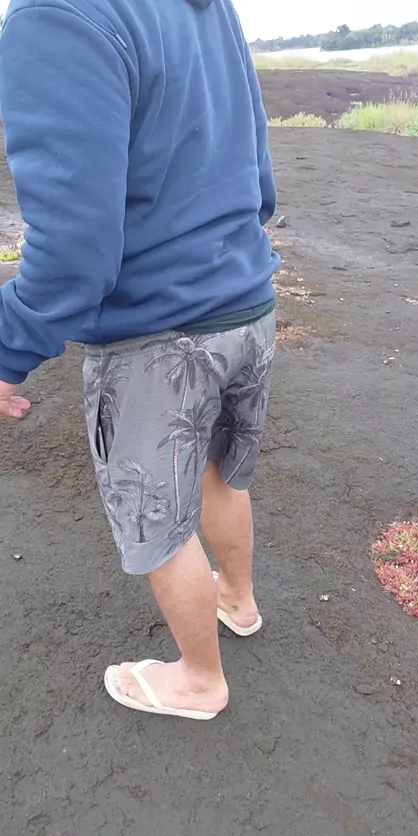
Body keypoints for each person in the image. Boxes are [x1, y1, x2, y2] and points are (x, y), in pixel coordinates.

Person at [0, 0, 279, 719]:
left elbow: (74, 248)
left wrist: (8, 349)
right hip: (247, 301)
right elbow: (254, 150)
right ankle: (238, 601)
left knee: (158, 522)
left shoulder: (57, 15)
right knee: (222, 470)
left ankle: (199, 681)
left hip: (156, 331)